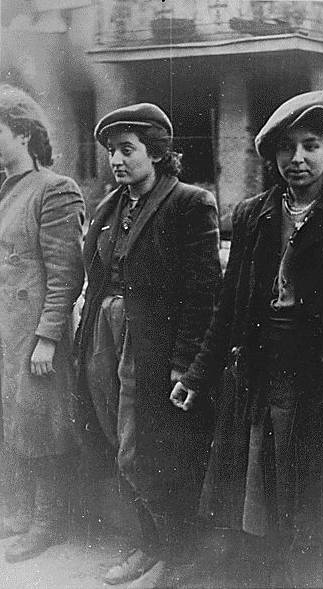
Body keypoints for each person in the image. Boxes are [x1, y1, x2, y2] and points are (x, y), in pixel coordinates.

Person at [171, 91, 323, 588]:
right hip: (272, 388)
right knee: (285, 512)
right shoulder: (252, 216)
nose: (298, 159)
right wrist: (198, 374)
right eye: (287, 148)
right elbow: (231, 308)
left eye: (311, 145)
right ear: (272, 155)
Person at [75, 103, 221, 588]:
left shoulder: (189, 203)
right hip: (105, 335)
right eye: (112, 152)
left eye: (128, 150)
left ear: (156, 153)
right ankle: (149, 543)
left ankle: (176, 556)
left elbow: (204, 292)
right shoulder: (108, 207)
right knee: (117, 438)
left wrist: (184, 362)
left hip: (152, 343)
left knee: (147, 448)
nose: (117, 161)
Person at [0, 84, 85, 562]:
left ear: (25, 134)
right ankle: (21, 514)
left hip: (34, 335)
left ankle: (47, 523)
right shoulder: (5, 190)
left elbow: (65, 273)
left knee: (43, 425)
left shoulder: (55, 189)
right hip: (4, 333)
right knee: (13, 421)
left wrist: (48, 337)